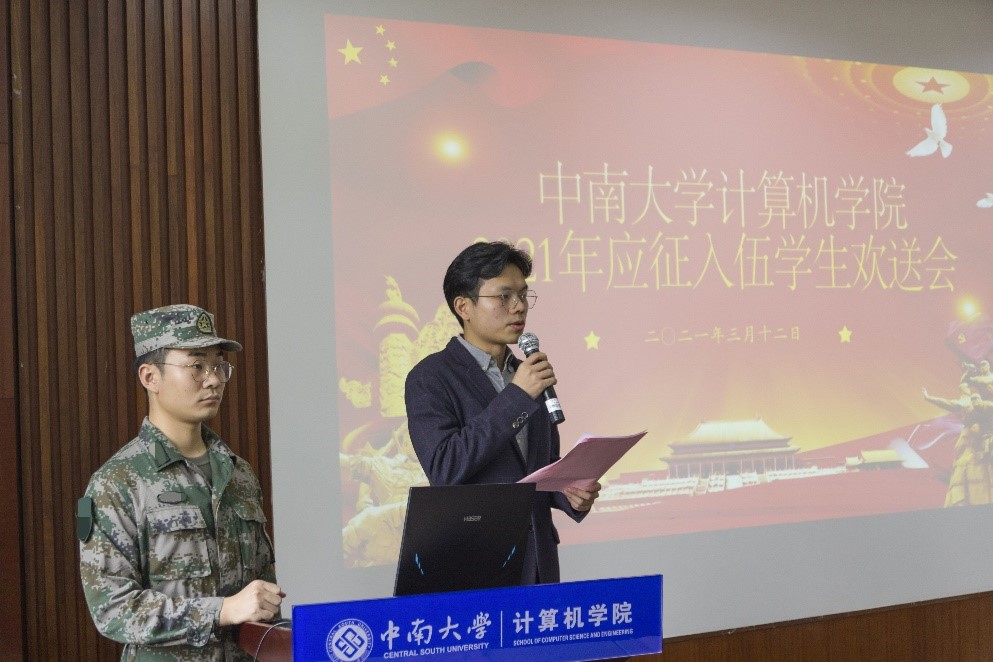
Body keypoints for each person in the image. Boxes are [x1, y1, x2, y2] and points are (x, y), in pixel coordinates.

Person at [77, 304, 283, 660]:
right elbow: (112, 609)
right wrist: (220, 611)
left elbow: (261, 594)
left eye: (219, 366)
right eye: (196, 366)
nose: (214, 379)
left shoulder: (239, 474)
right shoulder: (116, 482)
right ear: (150, 377)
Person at [404, 241, 600, 584]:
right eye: (504, 296)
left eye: (523, 295)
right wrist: (517, 397)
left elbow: (538, 469)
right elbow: (445, 468)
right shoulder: (430, 377)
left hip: (538, 564)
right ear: (464, 306)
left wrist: (569, 493)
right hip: (475, 563)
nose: (519, 306)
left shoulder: (527, 373)